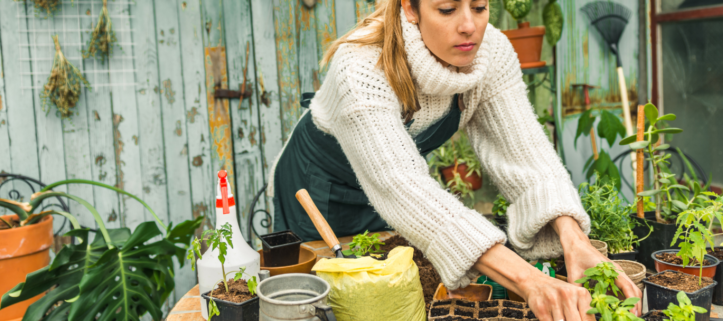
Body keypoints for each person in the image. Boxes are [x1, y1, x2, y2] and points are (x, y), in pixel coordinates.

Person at [266, 0, 642, 319]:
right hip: (316, 188)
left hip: (394, 191)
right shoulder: (361, 66)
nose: (469, 26)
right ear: (410, 9)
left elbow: (527, 155)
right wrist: (530, 281)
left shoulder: (490, 52)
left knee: (390, 282)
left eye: (479, 7)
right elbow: (400, 184)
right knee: (328, 294)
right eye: (446, 9)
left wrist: (575, 240)